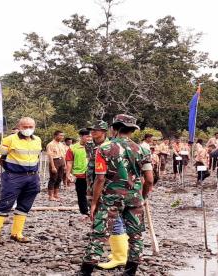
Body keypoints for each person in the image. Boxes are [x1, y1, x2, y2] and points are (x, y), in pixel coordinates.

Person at [80, 114, 153, 276]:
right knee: (136, 236)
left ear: (114, 129)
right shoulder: (142, 150)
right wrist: (144, 196)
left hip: (110, 198)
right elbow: (149, 179)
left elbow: (100, 178)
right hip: (134, 198)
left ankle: (85, 272)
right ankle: (130, 272)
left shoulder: (104, 149)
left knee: (99, 234)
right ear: (132, 130)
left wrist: (94, 202)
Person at [0, 117, 42, 244]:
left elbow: (37, 156)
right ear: (19, 126)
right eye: (25, 127)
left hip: (32, 176)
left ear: (34, 127)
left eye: (30, 127)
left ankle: (17, 233)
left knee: (25, 205)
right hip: (14, 176)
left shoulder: (37, 140)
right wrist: (10, 169)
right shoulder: (9, 139)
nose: (28, 129)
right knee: (5, 204)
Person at [66, 128, 91, 217]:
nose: (89, 138)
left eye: (90, 136)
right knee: (81, 193)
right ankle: (84, 211)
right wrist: (68, 174)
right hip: (80, 175)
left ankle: (93, 210)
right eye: (87, 136)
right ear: (81, 136)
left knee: (93, 192)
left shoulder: (96, 146)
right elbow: (69, 162)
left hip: (92, 174)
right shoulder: (73, 148)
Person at [46, 130, 67, 201]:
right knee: (53, 178)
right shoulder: (50, 144)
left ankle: (56, 194)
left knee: (59, 178)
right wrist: (53, 166)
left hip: (61, 161)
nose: (62, 137)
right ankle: (50, 196)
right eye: (60, 135)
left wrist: (65, 165)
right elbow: (50, 156)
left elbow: (63, 155)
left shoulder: (61, 144)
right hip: (55, 161)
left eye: (63, 136)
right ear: (55, 136)